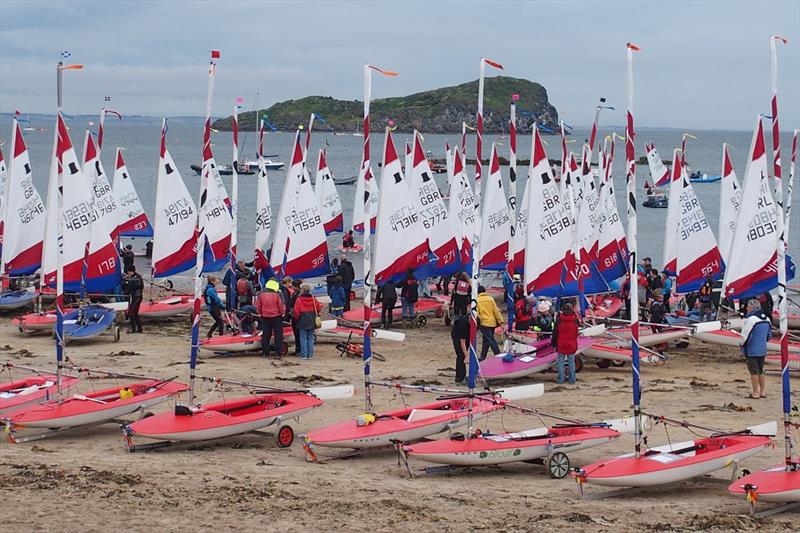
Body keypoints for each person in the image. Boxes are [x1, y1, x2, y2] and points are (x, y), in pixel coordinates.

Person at [739, 299, 771, 399]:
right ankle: (763, 391)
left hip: (752, 350)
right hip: (762, 349)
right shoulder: (767, 319)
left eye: (748, 307)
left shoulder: (751, 320)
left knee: (754, 371)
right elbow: (769, 335)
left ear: (752, 308)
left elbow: (745, 336)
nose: (747, 309)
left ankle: (755, 392)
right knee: (761, 370)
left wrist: (741, 345)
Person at [256, 279, 286, 357]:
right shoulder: (277, 294)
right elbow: (280, 305)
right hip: (276, 316)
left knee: (265, 335)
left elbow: (258, 305)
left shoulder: (261, 294)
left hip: (265, 316)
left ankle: (265, 353)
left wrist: (260, 313)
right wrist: (282, 313)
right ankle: (278, 353)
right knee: (278, 335)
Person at [552, 302, 579, 385]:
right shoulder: (575, 320)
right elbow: (577, 332)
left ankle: (560, 379)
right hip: (571, 343)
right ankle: (572, 380)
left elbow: (555, 333)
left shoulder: (559, 320)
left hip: (561, 343)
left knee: (560, 362)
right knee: (571, 362)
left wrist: (554, 344)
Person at [293, 284, 323, 359]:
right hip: (312, 319)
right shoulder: (313, 299)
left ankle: (304, 354)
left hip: (302, 319)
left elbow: (296, 312)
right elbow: (318, 308)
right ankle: (310, 355)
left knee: (303, 338)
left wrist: (296, 319)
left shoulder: (299, 300)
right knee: (310, 338)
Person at [476, 285, 503, 360]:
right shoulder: (490, 299)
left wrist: (477, 324)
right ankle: (483, 356)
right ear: (485, 291)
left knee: (490, 339)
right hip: (492, 323)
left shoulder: (477, 300)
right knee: (486, 340)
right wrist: (501, 321)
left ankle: (498, 354)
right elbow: (496, 311)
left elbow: (477, 313)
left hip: (484, 323)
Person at [121, 265, 144, 333]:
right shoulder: (131, 277)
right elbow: (127, 287)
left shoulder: (138, 277)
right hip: (134, 297)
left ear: (131, 271)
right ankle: (139, 329)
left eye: (128, 272)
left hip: (138, 297)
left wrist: (126, 279)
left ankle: (134, 329)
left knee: (131, 312)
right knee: (135, 313)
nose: (128, 273)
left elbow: (134, 281)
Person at [450, 313, 470, 384]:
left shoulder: (474, 318)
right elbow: (462, 342)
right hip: (457, 335)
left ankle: (464, 375)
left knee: (463, 354)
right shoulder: (464, 324)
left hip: (465, 335)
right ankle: (460, 378)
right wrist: (467, 355)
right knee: (461, 355)